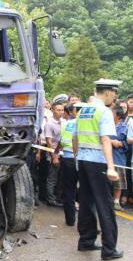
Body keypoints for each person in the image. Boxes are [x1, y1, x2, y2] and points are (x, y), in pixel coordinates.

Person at [73, 79, 123, 260]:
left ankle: (86, 241)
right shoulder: (104, 111)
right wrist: (110, 167)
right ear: (109, 92)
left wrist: (77, 157)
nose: (115, 98)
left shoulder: (84, 110)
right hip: (98, 162)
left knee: (86, 202)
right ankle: (109, 249)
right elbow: (105, 140)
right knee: (105, 205)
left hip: (84, 161)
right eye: (114, 94)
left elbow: (75, 138)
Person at [58, 103, 81, 226]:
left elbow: (61, 142)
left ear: (72, 112)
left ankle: (70, 220)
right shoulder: (85, 124)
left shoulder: (66, 124)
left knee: (69, 190)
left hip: (68, 160)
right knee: (85, 191)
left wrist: (56, 152)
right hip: (82, 160)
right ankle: (86, 221)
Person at [45, 101, 64, 206]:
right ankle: (50, 199)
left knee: (60, 178)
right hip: (54, 154)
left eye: (62, 110)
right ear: (52, 110)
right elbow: (49, 142)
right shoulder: (49, 124)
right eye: (58, 110)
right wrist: (54, 157)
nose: (60, 112)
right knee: (52, 178)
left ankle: (58, 197)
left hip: (63, 154)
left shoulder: (64, 122)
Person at [110, 104, 128, 211]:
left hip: (118, 157)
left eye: (112, 113)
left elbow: (126, 142)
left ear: (118, 116)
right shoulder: (107, 126)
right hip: (106, 157)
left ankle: (116, 201)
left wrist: (120, 144)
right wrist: (112, 141)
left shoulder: (124, 127)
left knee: (119, 181)